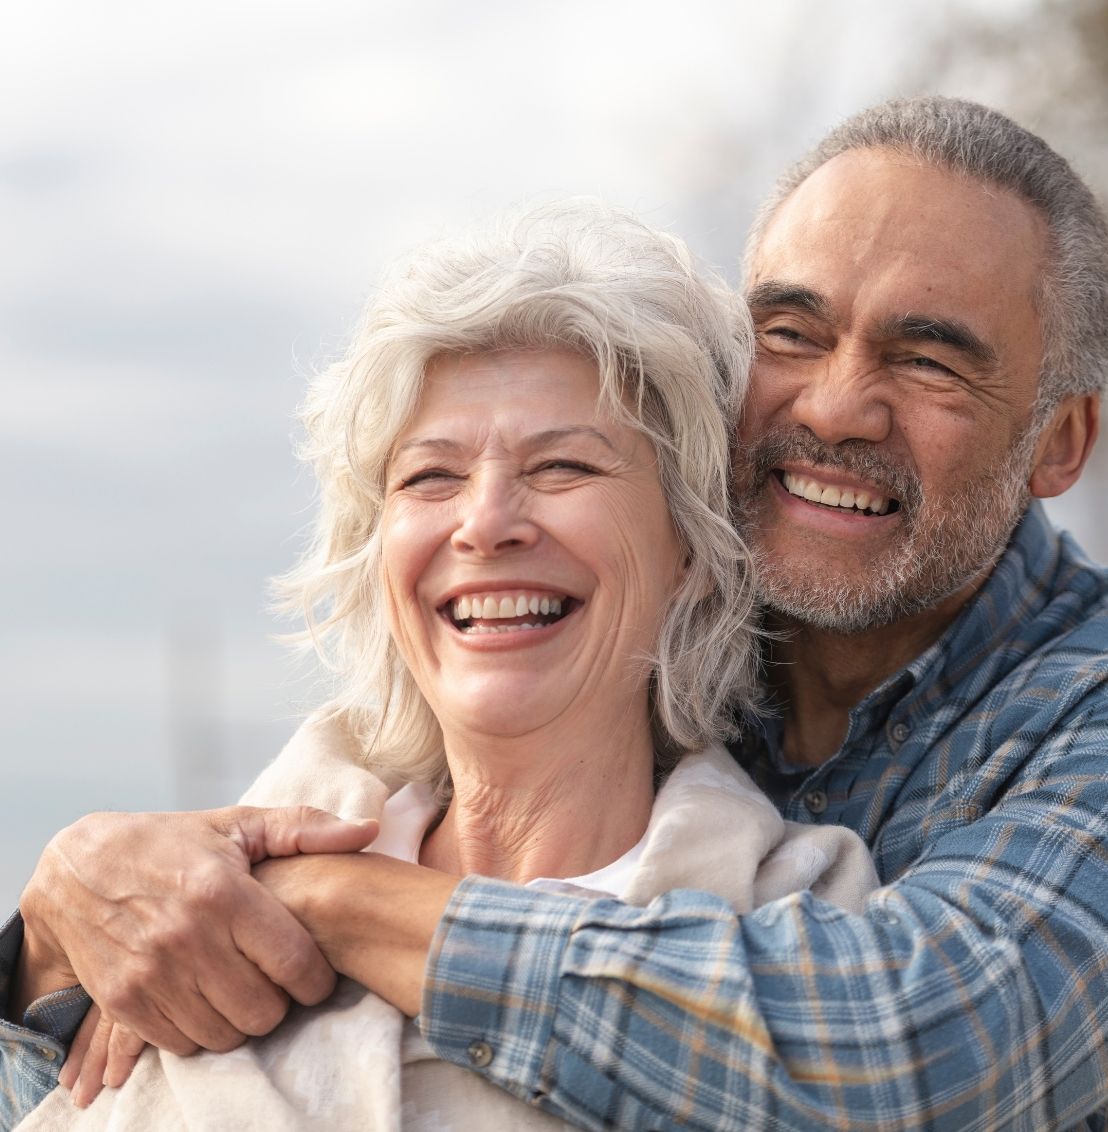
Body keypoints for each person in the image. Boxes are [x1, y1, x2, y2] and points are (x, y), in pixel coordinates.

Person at [4, 94, 1108, 1129]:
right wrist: (60, 921)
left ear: (1057, 441)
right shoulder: (407, 754)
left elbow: (924, 1053)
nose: (838, 404)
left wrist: (320, 899)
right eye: (791, 333)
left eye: (927, 361)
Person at [5, 202, 879, 1129]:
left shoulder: (802, 920)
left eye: (563, 467)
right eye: (431, 476)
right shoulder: (186, 914)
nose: (486, 521)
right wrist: (44, 954)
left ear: (692, 552)